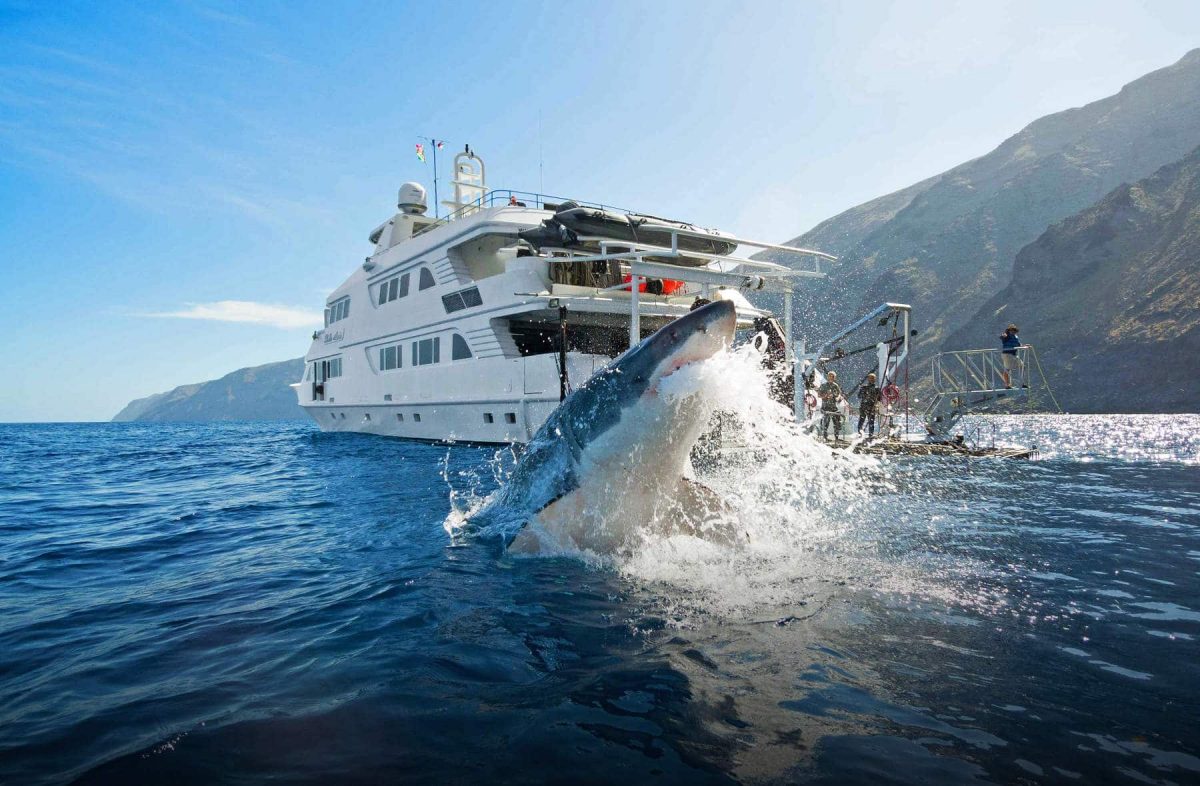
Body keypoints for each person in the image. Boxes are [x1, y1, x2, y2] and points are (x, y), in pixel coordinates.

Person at [817, 371, 843, 441]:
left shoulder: (835, 386)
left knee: (837, 421)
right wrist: (826, 396)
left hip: (833, 407)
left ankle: (837, 437)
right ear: (828, 377)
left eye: (833, 376)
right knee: (826, 422)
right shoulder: (823, 385)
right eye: (830, 376)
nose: (831, 378)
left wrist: (838, 398)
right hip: (825, 407)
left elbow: (839, 395)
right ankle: (825, 437)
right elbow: (819, 395)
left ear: (834, 378)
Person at [999, 324, 1024, 388]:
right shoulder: (1007, 335)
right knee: (1007, 369)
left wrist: (1024, 346)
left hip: (1013, 354)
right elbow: (1003, 337)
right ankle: (1007, 385)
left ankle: (1021, 383)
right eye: (1012, 331)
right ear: (1009, 330)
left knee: (1022, 366)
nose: (1013, 332)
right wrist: (1003, 336)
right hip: (1007, 354)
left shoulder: (1015, 337)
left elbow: (1018, 344)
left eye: (1014, 331)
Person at [856, 372, 881, 437]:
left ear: (875, 379)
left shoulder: (877, 388)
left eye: (873, 378)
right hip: (863, 406)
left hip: (872, 407)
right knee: (861, 420)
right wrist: (865, 394)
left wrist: (877, 397)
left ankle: (871, 435)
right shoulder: (864, 387)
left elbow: (879, 399)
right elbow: (859, 396)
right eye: (870, 378)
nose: (872, 379)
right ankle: (860, 433)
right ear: (868, 379)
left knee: (871, 421)